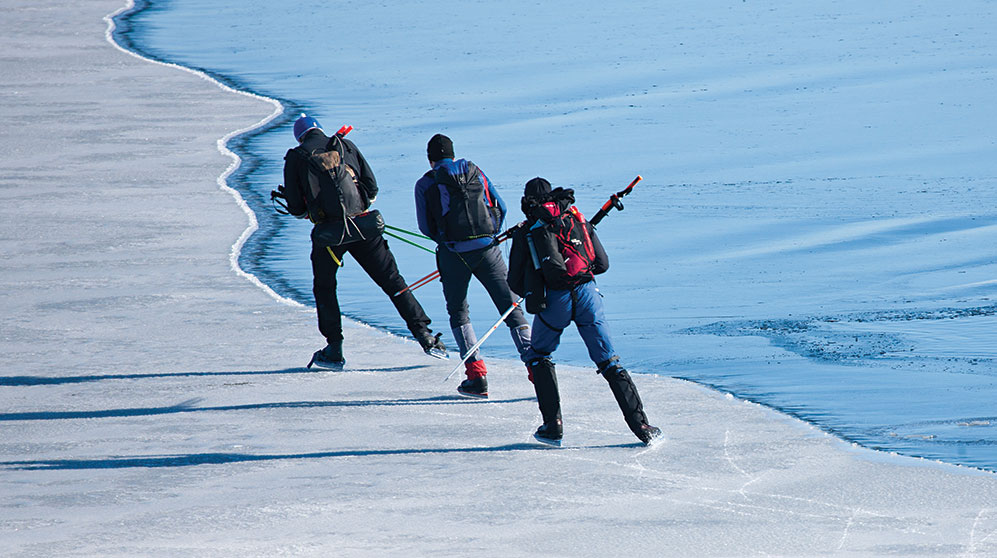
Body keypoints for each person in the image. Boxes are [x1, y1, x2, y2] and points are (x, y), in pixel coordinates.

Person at [281, 114, 446, 368]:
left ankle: (334, 348)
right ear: (320, 130)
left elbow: (294, 207)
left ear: (299, 137)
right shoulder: (344, 144)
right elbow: (371, 187)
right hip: (364, 228)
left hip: (329, 237)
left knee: (325, 289)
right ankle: (425, 336)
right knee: (393, 281)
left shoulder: (296, 156)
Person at [507, 177, 660, 445]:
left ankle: (552, 427)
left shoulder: (527, 230)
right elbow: (601, 263)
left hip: (555, 301)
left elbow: (515, 283)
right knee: (608, 361)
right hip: (589, 295)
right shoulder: (575, 217)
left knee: (539, 355)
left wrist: (539, 284)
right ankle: (642, 426)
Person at [414, 134, 531, 398]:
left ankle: (477, 377)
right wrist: (491, 236)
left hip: (453, 254)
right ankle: (538, 370)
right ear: (453, 155)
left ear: (430, 159)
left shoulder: (425, 183)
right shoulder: (474, 170)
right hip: (489, 249)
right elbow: (501, 205)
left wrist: (447, 243)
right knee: (511, 307)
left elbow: (425, 226)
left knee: (458, 312)